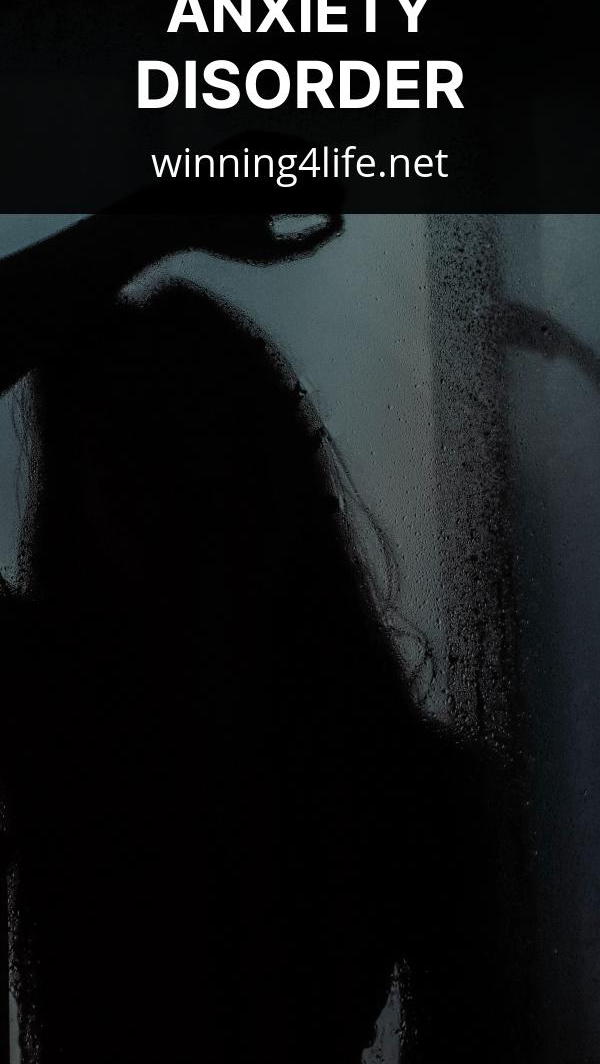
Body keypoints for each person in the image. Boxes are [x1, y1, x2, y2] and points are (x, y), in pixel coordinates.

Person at [0, 206, 526, 1063]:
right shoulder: (409, 783)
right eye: (141, 452)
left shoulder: (53, 720)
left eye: (201, 443)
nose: (182, 495)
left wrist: (155, 222)